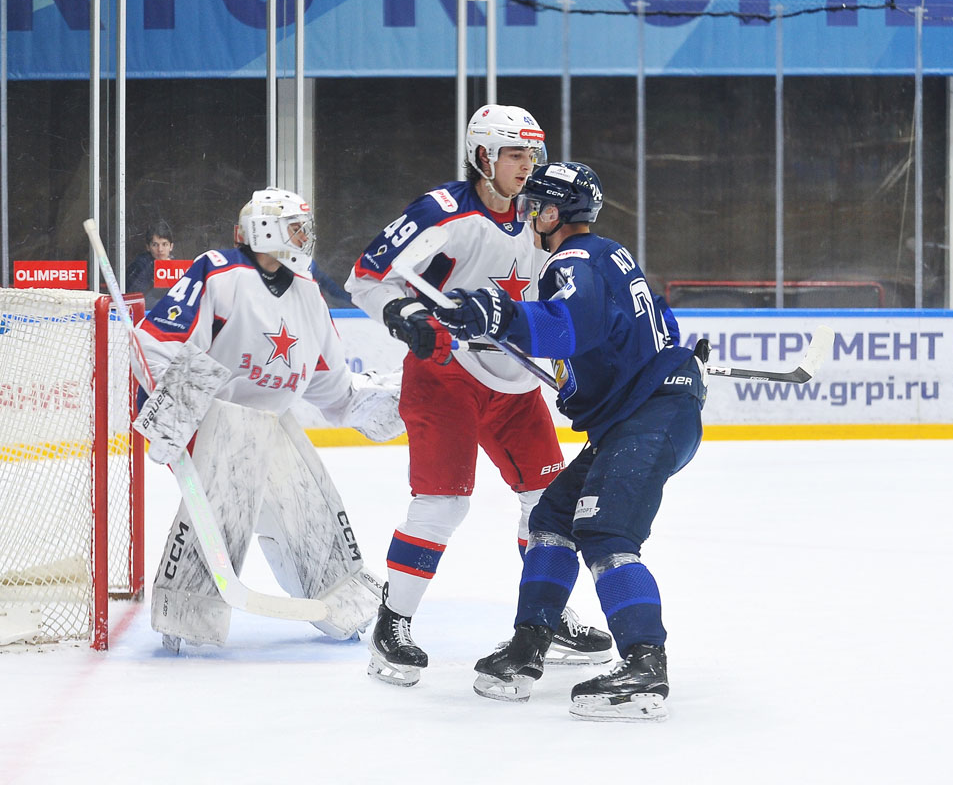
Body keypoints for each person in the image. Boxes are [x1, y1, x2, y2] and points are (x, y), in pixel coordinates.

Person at [344, 105, 613, 687]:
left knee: (548, 503)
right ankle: (392, 623)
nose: (527, 165)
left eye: (532, 154)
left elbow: (560, 301)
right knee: (443, 504)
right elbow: (365, 276)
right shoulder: (443, 212)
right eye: (515, 154)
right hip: (446, 372)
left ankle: (547, 617)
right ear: (483, 156)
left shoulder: (543, 215)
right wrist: (404, 314)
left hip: (515, 379)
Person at [431, 162, 707, 721]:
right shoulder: (610, 253)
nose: (528, 213)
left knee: (606, 533)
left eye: (535, 205)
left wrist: (500, 315)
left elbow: (566, 327)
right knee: (552, 518)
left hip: (649, 418)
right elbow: (657, 325)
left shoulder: (570, 260)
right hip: (643, 416)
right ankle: (529, 645)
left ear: (553, 212)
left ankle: (645, 665)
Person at [133, 187, 404, 652]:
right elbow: (155, 343)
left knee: (309, 505)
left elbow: (330, 385)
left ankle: (341, 601)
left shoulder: (308, 293)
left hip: (271, 422)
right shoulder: (219, 272)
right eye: (295, 228)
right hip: (214, 423)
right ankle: (186, 612)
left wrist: (391, 403)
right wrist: (174, 412)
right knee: (225, 519)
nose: (305, 237)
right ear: (263, 230)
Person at [127, 220, 175, 300]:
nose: (160, 249)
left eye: (164, 244)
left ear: (171, 246)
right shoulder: (141, 266)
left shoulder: (177, 267)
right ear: (148, 247)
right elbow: (141, 298)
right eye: (155, 245)